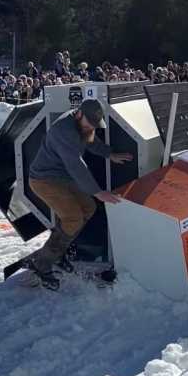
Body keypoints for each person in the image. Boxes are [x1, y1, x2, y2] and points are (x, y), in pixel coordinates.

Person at [28, 99, 133, 290]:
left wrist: (109, 154)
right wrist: (98, 192)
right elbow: (76, 165)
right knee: (73, 218)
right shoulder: (64, 131)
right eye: (89, 123)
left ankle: (58, 254)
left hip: (62, 178)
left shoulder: (81, 123)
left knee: (88, 207)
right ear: (79, 114)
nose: (91, 127)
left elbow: (91, 141)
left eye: (94, 124)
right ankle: (42, 264)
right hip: (44, 180)